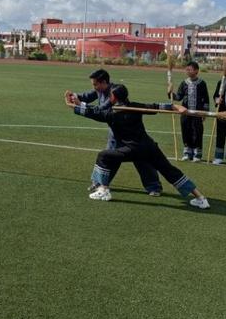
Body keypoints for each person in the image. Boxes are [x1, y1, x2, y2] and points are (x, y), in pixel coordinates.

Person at [70, 84, 210, 208]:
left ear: (113, 97)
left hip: (133, 150)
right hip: (149, 147)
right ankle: (200, 198)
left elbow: (92, 112)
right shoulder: (135, 106)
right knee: (169, 170)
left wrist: (75, 106)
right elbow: (155, 107)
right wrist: (175, 106)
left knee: (104, 156)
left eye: (110, 95)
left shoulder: (111, 114)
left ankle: (103, 190)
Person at [66, 69, 163, 195]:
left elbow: (100, 110)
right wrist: (74, 97)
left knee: (141, 158)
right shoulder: (99, 90)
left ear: (104, 82)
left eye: (95, 84)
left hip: (128, 134)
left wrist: (80, 106)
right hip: (115, 132)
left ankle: (154, 187)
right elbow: (87, 96)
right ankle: (100, 184)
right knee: (110, 159)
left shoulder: (114, 93)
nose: (94, 87)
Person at [167, 61, 209, 162]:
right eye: (187, 69)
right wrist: (170, 93)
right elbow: (179, 97)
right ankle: (187, 152)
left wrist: (205, 112)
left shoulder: (202, 83)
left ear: (196, 71)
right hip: (185, 113)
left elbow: (206, 99)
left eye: (190, 69)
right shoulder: (184, 83)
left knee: (197, 133)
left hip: (197, 113)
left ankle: (197, 154)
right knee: (186, 131)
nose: (187, 71)